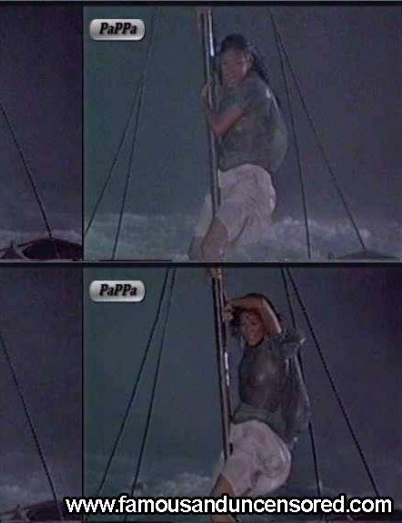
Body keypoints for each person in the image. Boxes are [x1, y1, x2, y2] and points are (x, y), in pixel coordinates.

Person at [210, 293, 310, 523]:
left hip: (262, 443)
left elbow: (260, 303)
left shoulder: (276, 347)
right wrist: (219, 289)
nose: (248, 330)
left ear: (266, 323)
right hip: (244, 437)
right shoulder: (249, 349)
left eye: (254, 323)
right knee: (218, 504)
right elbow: (231, 319)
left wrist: (233, 304)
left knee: (218, 506)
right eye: (244, 325)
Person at [190, 34, 288, 261]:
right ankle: (216, 282)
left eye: (237, 63)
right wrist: (201, 22)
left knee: (211, 247)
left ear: (249, 61)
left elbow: (218, 126)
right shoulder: (232, 87)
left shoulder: (254, 88)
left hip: (249, 183)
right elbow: (211, 59)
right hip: (225, 180)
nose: (230, 70)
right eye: (225, 64)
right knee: (196, 253)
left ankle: (222, 285)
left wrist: (204, 103)